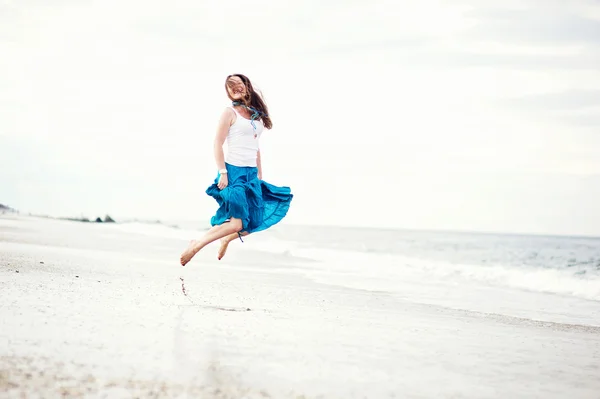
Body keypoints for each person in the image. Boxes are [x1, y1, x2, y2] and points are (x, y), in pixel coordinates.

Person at [179, 74, 293, 266]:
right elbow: (217, 142)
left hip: (250, 175)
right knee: (237, 223)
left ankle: (226, 239)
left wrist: (259, 174)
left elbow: (256, 147)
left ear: (247, 86)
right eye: (231, 86)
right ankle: (195, 246)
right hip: (233, 172)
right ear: (228, 92)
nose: (235, 88)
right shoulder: (229, 113)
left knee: (254, 221)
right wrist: (223, 172)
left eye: (239, 84)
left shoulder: (255, 114)